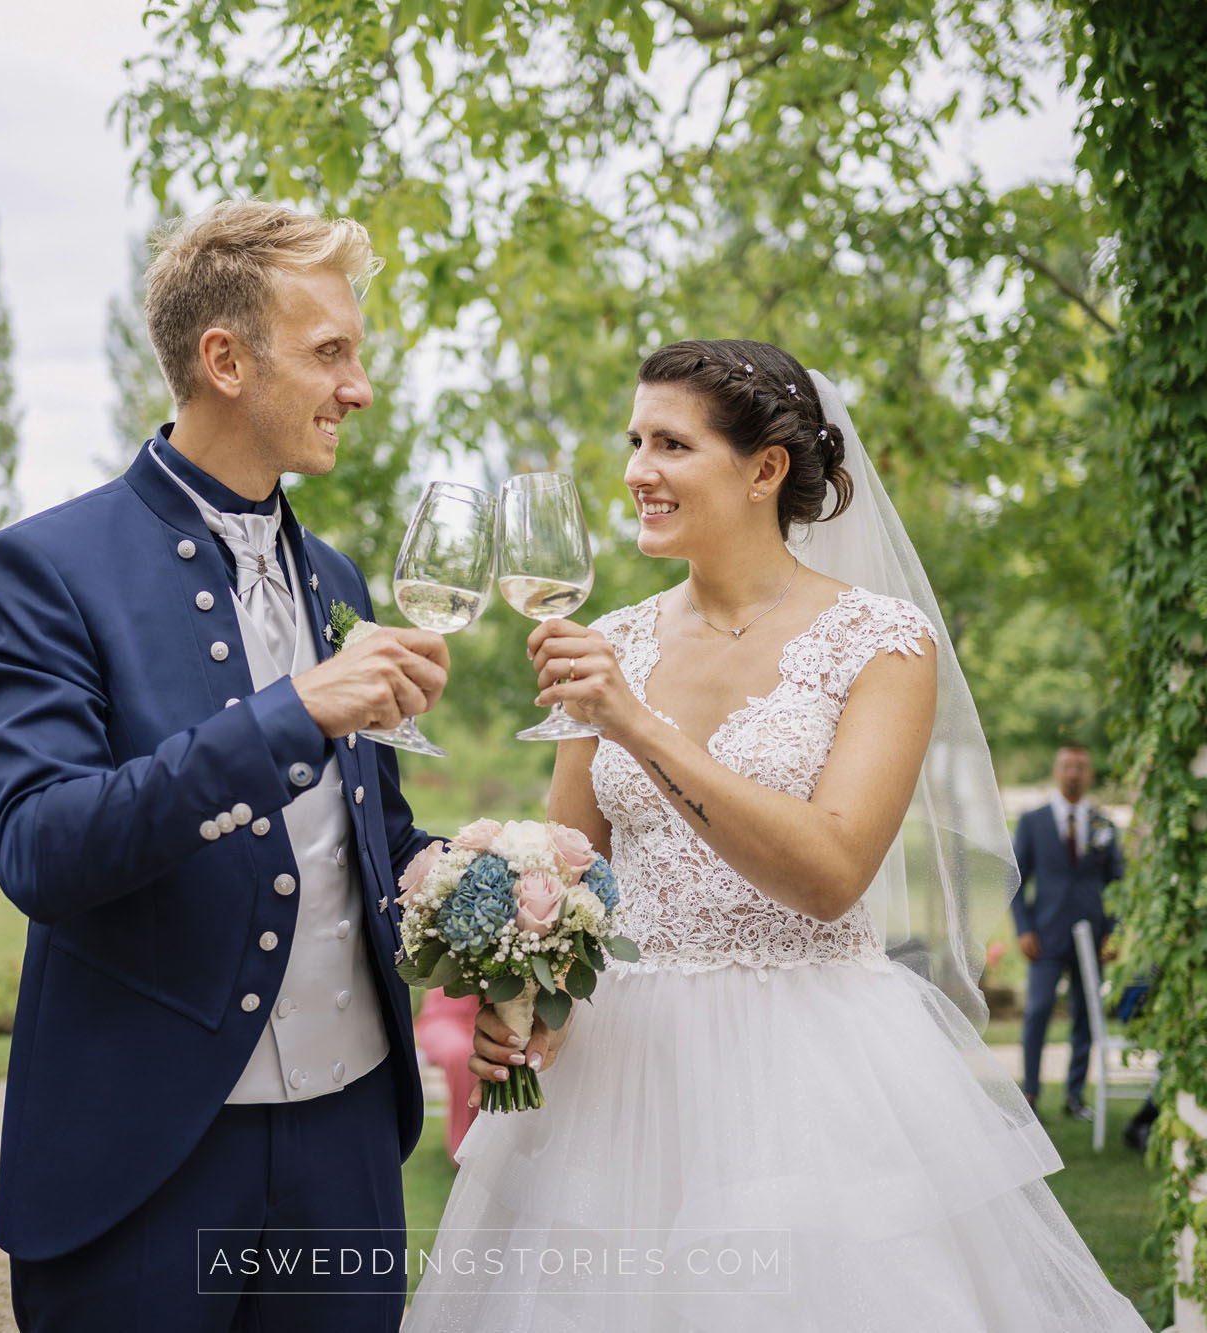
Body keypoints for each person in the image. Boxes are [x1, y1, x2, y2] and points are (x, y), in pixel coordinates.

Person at [402, 339, 1146, 1330]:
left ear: (764, 468)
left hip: (814, 1073)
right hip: (620, 1088)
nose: (636, 471)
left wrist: (635, 723)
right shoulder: (611, 643)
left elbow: (830, 871)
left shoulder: (880, 641)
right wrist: (529, 1004)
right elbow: (571, 884)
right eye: (633, 440)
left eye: (670, 443)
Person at [0, 200, 447, 1331]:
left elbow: (358, 836)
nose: (359, 385)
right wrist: (287, 714)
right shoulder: (42, 567)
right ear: (224, 360)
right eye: (331, 351)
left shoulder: (338, 575)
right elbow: (40, 846)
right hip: (145, 1154)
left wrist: (470, 881)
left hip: (346, 1150)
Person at [1011, 744, 1125, 1120]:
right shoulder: (1032, 822)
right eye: (1067, 765)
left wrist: (1114, 933)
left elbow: (1118, 886)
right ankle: (1029, 1093)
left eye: (1081, 766)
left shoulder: (1103, 825)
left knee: (1085, 1015)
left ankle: (1075, 1096)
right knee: (1038, 1010)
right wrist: (1024, 928)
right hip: (1045, 936)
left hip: (1092, 939)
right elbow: (1015, 881)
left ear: (1089, 774)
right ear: (1056, 771)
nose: (1074, 772)